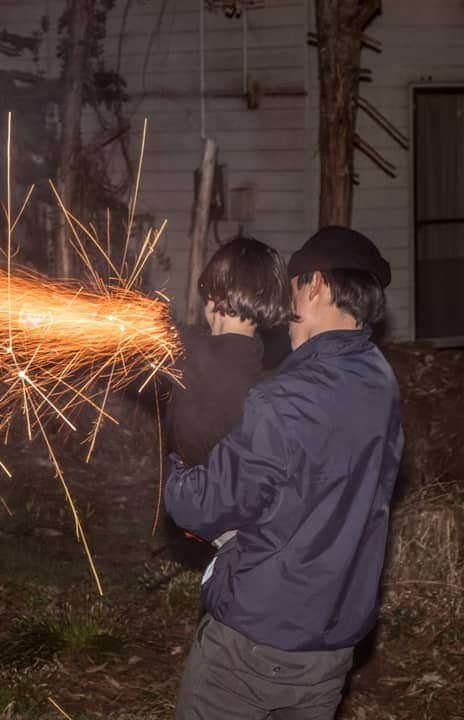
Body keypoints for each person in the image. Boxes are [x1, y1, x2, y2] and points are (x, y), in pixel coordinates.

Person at [164, 226, 404, 720]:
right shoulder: (379, 382)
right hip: (331, 644)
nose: (286, 306)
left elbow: (201, 506)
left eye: (293, 287)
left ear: (314, 284)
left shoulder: (285, 400)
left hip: (255, 643)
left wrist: (170, 468)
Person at [166, 236, 292, 552]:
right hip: (252, 516)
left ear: (213, 294)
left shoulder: (194, 353)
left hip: (227, 516)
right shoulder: (253, 363)